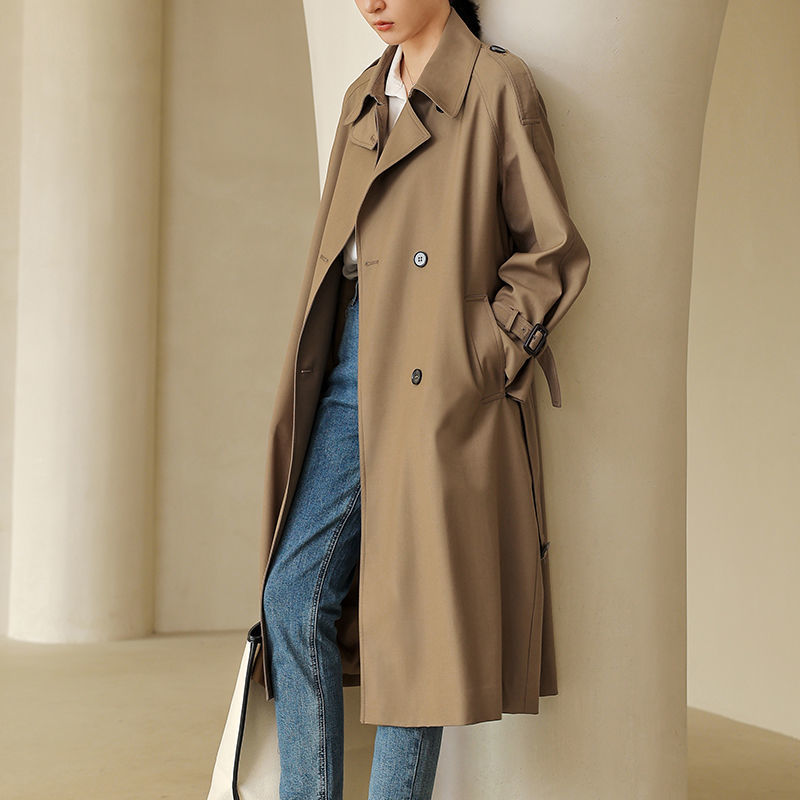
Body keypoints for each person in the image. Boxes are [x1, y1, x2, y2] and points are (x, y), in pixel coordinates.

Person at [261, 1, 590, 799]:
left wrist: (477, 354)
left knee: (417, 620)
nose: (371, 2)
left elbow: (551, 251)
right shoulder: (363, 97)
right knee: (293, 594)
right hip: (351, 366)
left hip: (438, 377)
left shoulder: (497, 86)